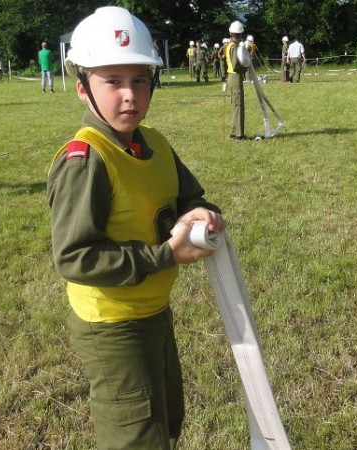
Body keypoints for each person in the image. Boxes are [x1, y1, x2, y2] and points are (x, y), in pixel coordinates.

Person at [47, 6, 225, 449]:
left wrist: (201, 212)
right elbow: (74, 257)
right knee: (135, 436)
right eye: (113, 81)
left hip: (154, 312)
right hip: (113, 325)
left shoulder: (155, 142)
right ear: (82, 87)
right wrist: (165, 256)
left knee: (165, 421)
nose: (130, 95)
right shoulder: (85, 160)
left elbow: (188, 196)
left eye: (140, 80)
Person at [226, 20, 247, 140]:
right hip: (235, 76)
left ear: (230, 33)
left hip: (231, 76)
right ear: (241, 34)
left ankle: (234, 132)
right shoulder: (234, 46)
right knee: (239, 105)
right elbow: (235, 65)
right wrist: (245, 68)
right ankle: (239, 135)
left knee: (236, 105)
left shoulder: (230, 44)